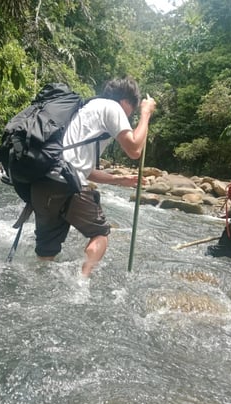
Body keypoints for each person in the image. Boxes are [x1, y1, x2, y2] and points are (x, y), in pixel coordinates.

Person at [30, 77, 156, 276]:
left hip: (42, 183)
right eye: (131, 111)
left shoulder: (84, 111)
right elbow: (134, 149)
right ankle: (82, 284)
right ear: (126, 102)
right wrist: (146, 114)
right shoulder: (113, 108)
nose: (129, 116)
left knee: (46, 255)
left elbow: (82, 167)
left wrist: (118, 180)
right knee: (100, 234)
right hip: (67, 184)